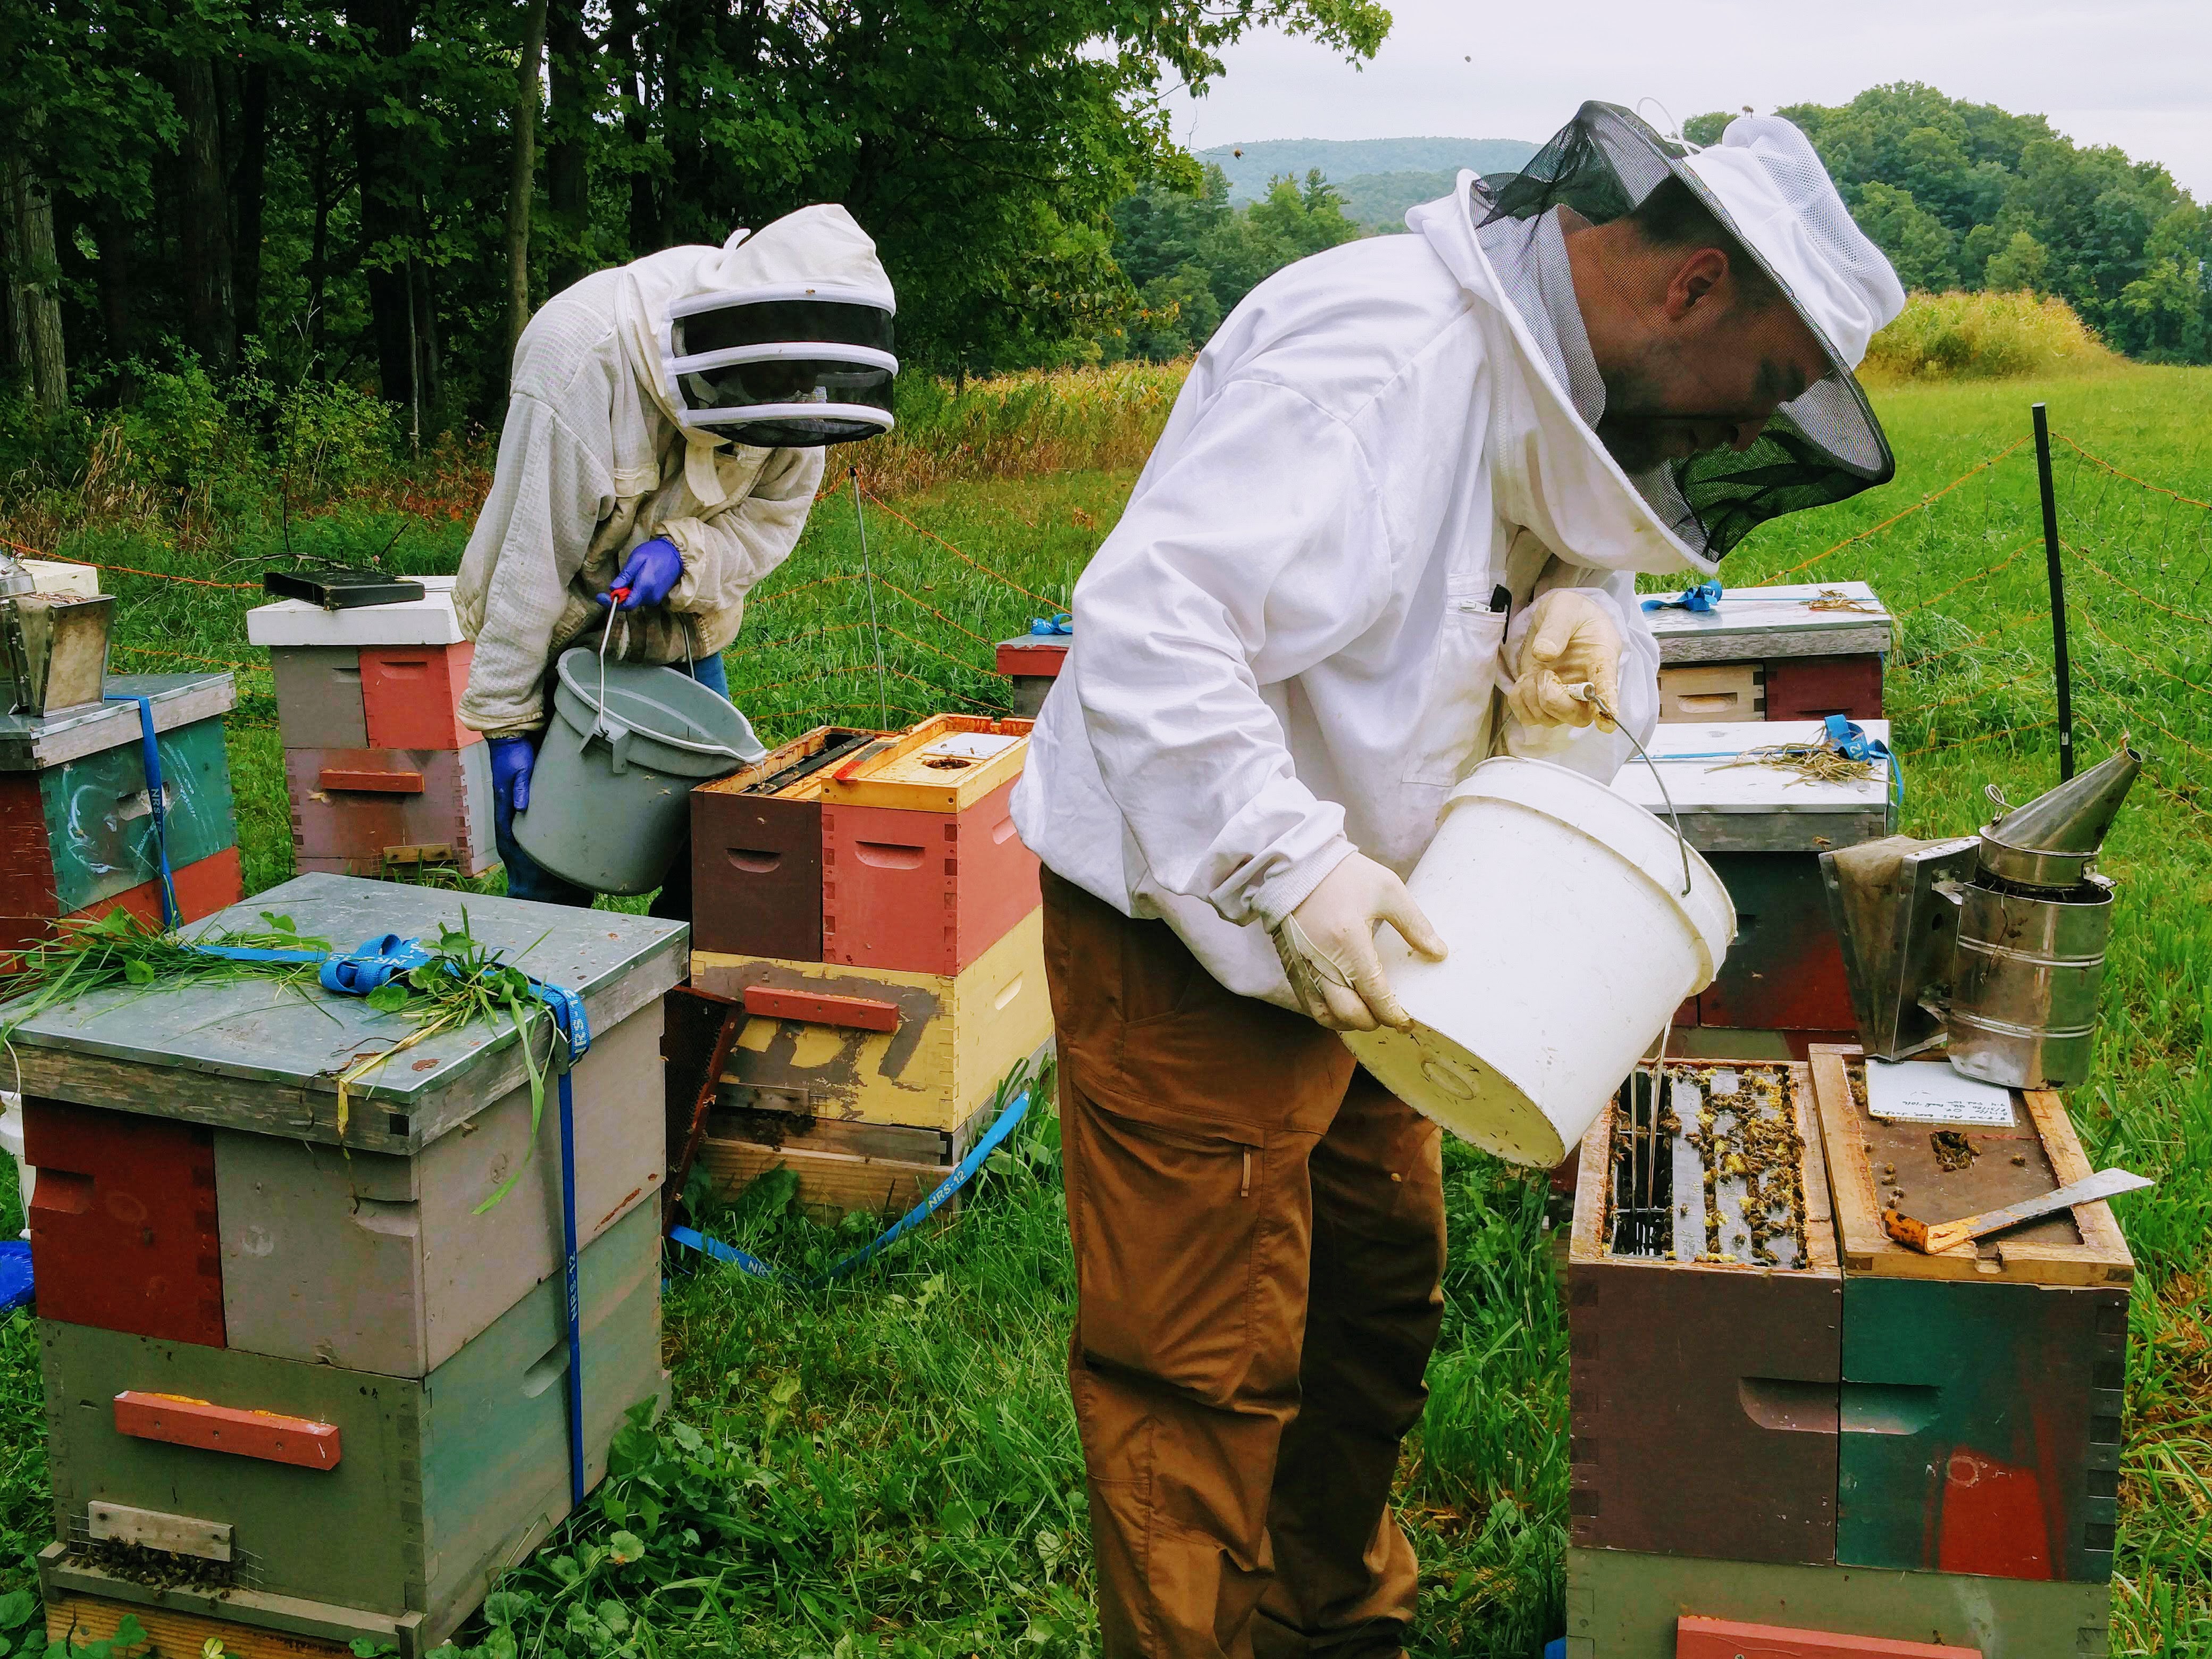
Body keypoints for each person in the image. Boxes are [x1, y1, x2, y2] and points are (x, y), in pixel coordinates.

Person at [1007, 105, 1905, 1659]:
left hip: (1397, 925)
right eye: (1764, 387)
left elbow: (1569, 559)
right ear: (1691, 289)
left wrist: (1592, 644)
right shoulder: (1371, 357)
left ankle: (1334, 1619)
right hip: (1196, 919)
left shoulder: (1570, 394)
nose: (1746, 435)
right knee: (1202, 1365)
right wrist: (1289, 864)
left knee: (1370, 1306)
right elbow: (1151, 630)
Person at [455, 203, 898, 916]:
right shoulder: (583, 356)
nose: (795, 403)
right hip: (558, 629)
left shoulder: (801, 379)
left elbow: (768, 525)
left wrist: (684, 554)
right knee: (546, 867)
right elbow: (528, 558)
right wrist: (508, 722)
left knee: (720, 856)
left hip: (683, 633)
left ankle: (664, 1013)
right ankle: (557, 1011)